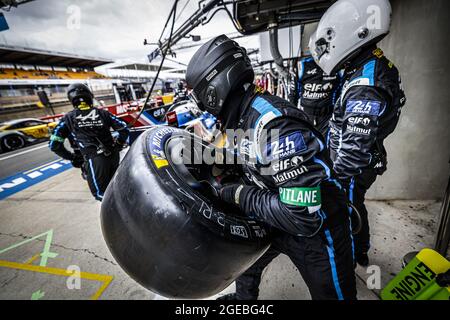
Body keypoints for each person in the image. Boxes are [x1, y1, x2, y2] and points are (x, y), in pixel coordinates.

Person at [186, 35, 356, 300]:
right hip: (273, 211)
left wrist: (238, 195)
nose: (204, 108)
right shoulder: (239, 116)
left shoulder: (275, 126)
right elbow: (245, 158)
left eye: (201, 99)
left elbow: (301, 216)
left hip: (318, 228)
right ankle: (243, 301)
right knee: (245, 265)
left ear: (213, 90)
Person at [310, 0, 406, 266]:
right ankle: (360, 250)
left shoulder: (365, 82)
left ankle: (349, 257)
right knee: (355, 206)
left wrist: (331, 181)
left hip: (353, 169)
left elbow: (353, 153)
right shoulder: (368, 65)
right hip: (363, 160)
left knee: (346, 211)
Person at [49, 83, 129, 201]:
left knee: (101, 194)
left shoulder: (68, 118)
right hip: (113, 156)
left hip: (94, 159)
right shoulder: (104, 113)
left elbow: (54, 145)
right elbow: (124, 130)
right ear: (89, 96)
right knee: (117, 186)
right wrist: (118, 145)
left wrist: (73, 157)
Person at [297, 51, 341, 136]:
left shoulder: (336, 64)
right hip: (306, 115)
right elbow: (294, 92)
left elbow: (340, 88)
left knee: (325, 145)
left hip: (327, 116)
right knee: (308, 144)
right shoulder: (303, 64)